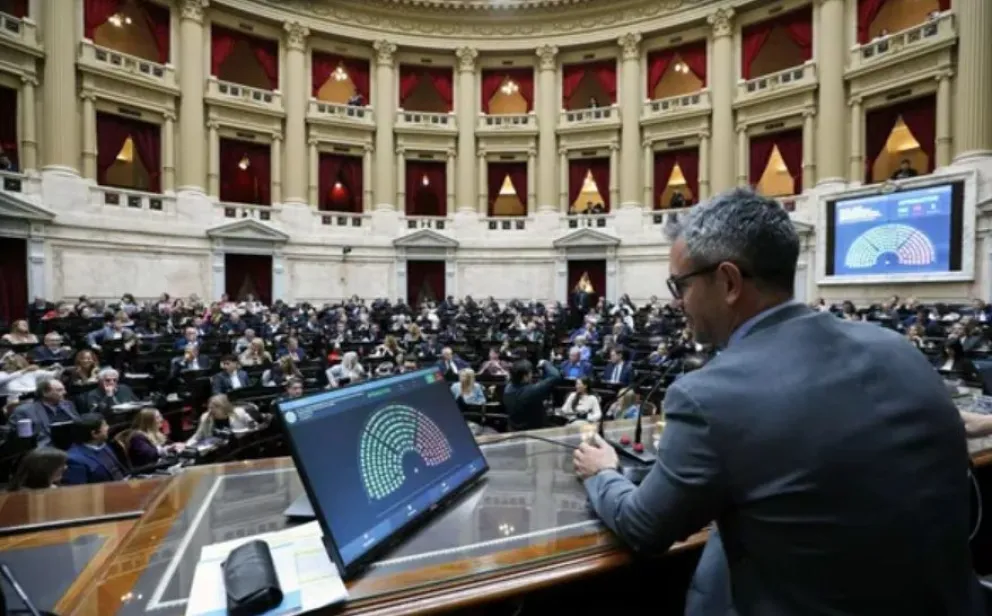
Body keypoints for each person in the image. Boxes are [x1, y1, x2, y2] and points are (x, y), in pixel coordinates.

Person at [572, 188, 984, 615]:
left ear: (729, 282)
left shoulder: (709, 396)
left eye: (681, 285)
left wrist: (602, 473)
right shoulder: (898, 348)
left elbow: (644, 527)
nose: (677, 302)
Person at [503, 359, 561, 431]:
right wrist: (545, 363)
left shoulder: (508, 388)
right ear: (525, 376)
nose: (532, 375)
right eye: (530, 373)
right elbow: (555, 376)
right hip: (533, 431)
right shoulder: (531, 391)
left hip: (513, 429)